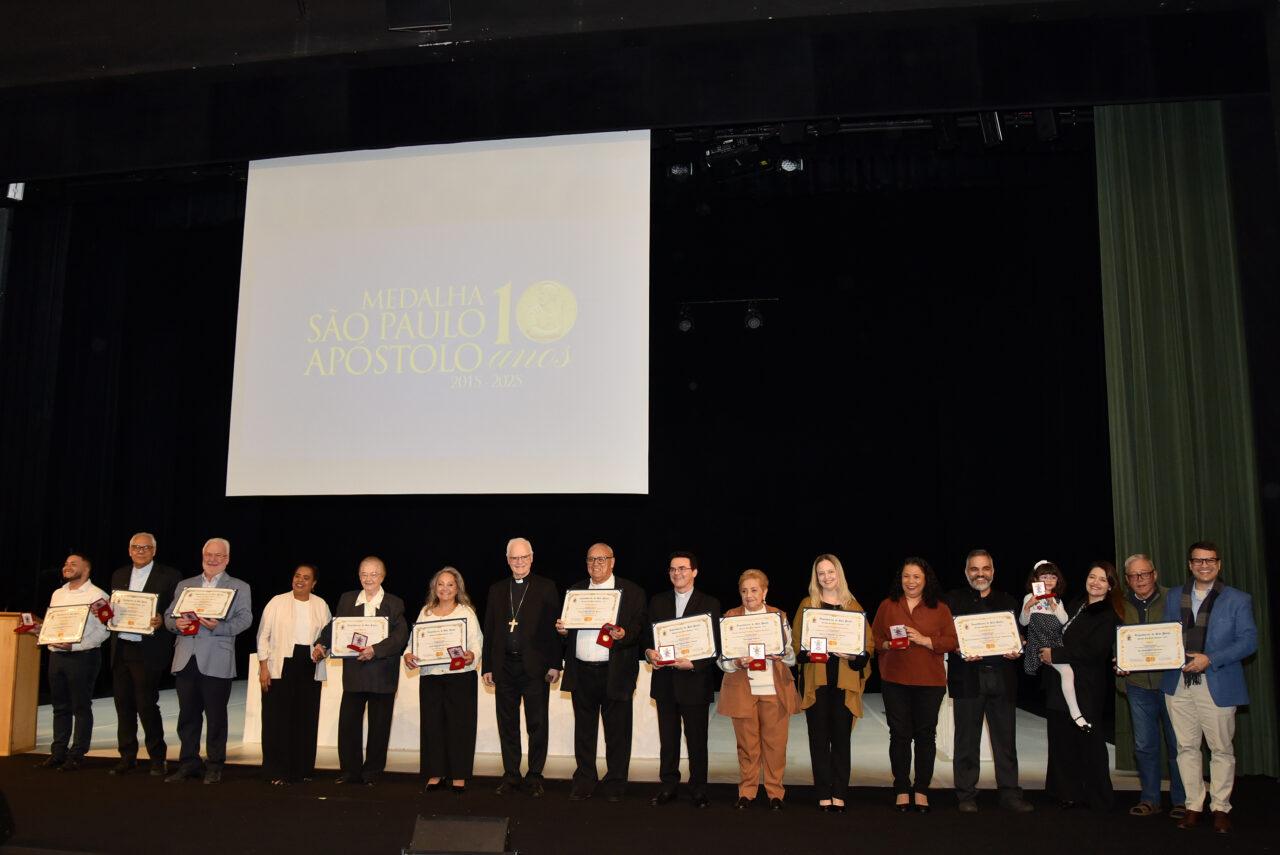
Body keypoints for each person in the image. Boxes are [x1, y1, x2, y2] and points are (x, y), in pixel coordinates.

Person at [1161, 541, 1258, 834]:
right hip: (1177, 683)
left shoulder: (1238, 599)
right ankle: (1193, 805)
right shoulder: (1175, 595)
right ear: (1190, 565)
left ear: (1219, 563)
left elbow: (1248, 641)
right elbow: (1165, 634)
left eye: (1210, 560)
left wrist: (1210, 659)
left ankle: (1220, 808)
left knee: (1221, 750)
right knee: (1186, 748)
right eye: (1198, 561)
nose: (1205, 565)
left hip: (1217, 681)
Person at [557, 543, 647, 802]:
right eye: (590, 560)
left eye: (601, 560)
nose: (595, 565)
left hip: (615, 672)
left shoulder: (631, 592)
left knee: (618, 732)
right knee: (584, 731)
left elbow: (639, 628)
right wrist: (563, 631)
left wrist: (624, 634)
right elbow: (567, 631)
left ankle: (616, 781)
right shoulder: (575, 591)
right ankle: (585, 779)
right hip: (582, 670)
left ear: (613, 561)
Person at [945, 550, 1034, 813]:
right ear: (966, 572)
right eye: (974, 569)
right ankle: (966, 795)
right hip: (967, 678)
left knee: (1005, 740)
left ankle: (1009, 794)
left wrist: (1017, 647)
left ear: (993, 572)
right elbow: (946, 637)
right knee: (966, 741)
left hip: (1002, 678)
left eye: (985, 569)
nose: (980, 574)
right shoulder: (952, 600)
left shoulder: (1007, 601)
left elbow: (1018, 636)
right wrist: (958, 648)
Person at [871, 557, 957, 813]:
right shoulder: (888, 605)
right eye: (906, 576)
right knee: (898, 735)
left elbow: (952, 641)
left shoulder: (940, 608)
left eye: (916, 577)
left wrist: (925, 639)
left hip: (930, 682)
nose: (910, 582)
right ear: (900, 579)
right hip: (895, 680)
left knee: (925, 736)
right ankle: (900, 788)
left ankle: (920, 789)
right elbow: (873, 637)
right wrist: (886, 645)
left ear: (926, 580)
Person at [163, 538, 252, 784]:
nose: (212, 560)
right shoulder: (185, 585)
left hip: (217, 659)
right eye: (208, 555)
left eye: (218, 556)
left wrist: (219, 627)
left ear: (227, 559)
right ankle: (188, 763)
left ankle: (214, 764)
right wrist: (175, 623)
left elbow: (245, 620)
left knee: (216, 717)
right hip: (185, 658)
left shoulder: (239, 586)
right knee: (187, 716)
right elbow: (169, 616)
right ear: (202, 556)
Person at [313, 556, 407, 786]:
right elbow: (334, 627)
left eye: (374, 574)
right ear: (358, 575)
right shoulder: (347, 599)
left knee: (379, 726)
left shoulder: (394, 603)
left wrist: (375, 650)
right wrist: (321, 643)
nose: (369, 578)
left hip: (382, 675)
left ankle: (372, 773)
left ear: (383, 577)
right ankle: (349, 772)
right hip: (354, 674)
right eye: (364, 574)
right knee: (348, 725)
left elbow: (400, 637)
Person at [481, 537, 562, 797]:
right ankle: (511, 775)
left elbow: (554, 630)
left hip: (535, 667)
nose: (519, 562)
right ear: (507, 560)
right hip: (504, 666)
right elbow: (490, 629)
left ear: (531, 557)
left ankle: (535, 775)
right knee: (507, 723)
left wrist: (554, 663)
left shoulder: (546, 587)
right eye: (514, 558)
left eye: (523, 557)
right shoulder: (496, 589)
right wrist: (488, 665)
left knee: (537, 723)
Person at [1040, 561, 1123, 811]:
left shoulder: (1108, 614)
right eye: (1092, 576)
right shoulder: (1076, 604)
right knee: (1060, 739)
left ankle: (1097, 796)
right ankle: (1066, 792)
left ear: (1110, 586)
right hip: (1058, 684)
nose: (1095, 582)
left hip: (1086, 686)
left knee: (1089, 740)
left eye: (1102, 579)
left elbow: (1093, 651)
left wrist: (1055, 654)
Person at [791, 554, 871, 812]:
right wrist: (810, 652)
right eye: (821, 573)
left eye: (830, 572)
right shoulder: (808, 605)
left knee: (841, 740)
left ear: (839, 574)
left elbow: (867, 646)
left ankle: (840, 792)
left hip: (843, 683)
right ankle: (823, 792)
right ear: (816, 577)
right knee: (818, 739)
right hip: (818, 682)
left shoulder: (853, 606)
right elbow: (795, 646)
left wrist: (854, 656)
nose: (826, 577)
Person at [643, 550, 721, 809]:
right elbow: (648, 638)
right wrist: (649, 653)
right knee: (668, 739)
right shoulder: (657, 601)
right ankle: (668, 786)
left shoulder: (710, 603)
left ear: (694, 572)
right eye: (673, 569)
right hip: (665, 681)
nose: (677, 573)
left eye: (683, 569)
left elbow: (715, 645)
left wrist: (694, 663)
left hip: (694, 681)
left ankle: (699, 789)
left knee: (697, 739)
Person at [717, 569, 799, 810]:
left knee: (775, 746)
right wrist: (736, 662)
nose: (749, 595)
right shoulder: (731, 617)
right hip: (743, 690)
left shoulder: (778, 616)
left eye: (754, 590)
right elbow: (722, 661)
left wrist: (781, 654)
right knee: (747, 747)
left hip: (774, 690)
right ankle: (747, 791)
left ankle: (775, 793)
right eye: (744, 591)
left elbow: (793, 657)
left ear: (764, 591)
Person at [1116, 553, 1185, 818]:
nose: (1140, 580)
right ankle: (1150, 799)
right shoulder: (1119, 605)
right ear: (1127, 579)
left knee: (1179, 745)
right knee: (1144, 745)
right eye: (1134, 575)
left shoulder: (1174, 598)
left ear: (1154, 574)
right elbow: (1116, 640)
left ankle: (1181, 800)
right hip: (1136, 685)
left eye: (1144, 574)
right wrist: (1119, 659)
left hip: (1171, 683)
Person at [403, 566, 483, 793]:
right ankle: (435, 773)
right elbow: (413, 642)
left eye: (450, 584)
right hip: (431, 677)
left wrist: (472, 655)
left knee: (460, 726)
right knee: (432, 726)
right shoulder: (425, 612)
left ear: (458, 588)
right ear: (434, 588)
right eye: (441, 584)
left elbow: (477, 643)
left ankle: (459, 775)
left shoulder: (466, 612)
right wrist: (408, 654)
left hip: (460, 677)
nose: (445, 588)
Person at [108, 532, 180, 777]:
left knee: (146, 705)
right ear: (129, 550)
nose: (140, 551)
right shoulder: (118, 574)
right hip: (121, 649)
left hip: (148, 650)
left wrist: (162, 619)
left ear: (154, 551)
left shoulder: (169, 576)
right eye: (136, 547)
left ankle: (157, 758)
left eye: (146, 548)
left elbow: (174, 612)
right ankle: (127, 757)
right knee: (123, 705)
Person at [256, 564, 330, 785]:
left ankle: (302, 770)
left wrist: (321, 648)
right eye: (297, 576)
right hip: (280, 666)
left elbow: (328, 636)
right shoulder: (276, 601)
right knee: (276, 720)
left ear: (313, 583)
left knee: (305, 719)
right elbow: (263, 636)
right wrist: (263, 667)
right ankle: (275, 771)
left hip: (309, 665)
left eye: (306, 578)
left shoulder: (321, 605)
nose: (300, 580)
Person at [35, 554, 110, 772]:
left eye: (73, 564)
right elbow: (53, 624)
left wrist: (76, 646)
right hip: (56, 655)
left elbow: (106, 630)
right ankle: (58, 752)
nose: (67, 566)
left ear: (86, 570)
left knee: (80, 706)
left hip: (83, 657)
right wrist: (41, 631)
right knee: (59, 707)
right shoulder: (58, 594)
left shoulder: (98, 595)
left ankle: (77, 754)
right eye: (66, 563)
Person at [1021, 560, 1091, 730]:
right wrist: (1028, 607)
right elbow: (1023, 622)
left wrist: (1053, 605)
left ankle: (1076, 714)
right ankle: (1077, 715)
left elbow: (1065, 621)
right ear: (1036, 580)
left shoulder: (1057, 600)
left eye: (1053, 577)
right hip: (1038, 643)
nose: (1049, 580)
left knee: (1068, 672)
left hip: (1055, 643)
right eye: (1044, 577)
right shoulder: (1029, 597)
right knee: (1067, 671)